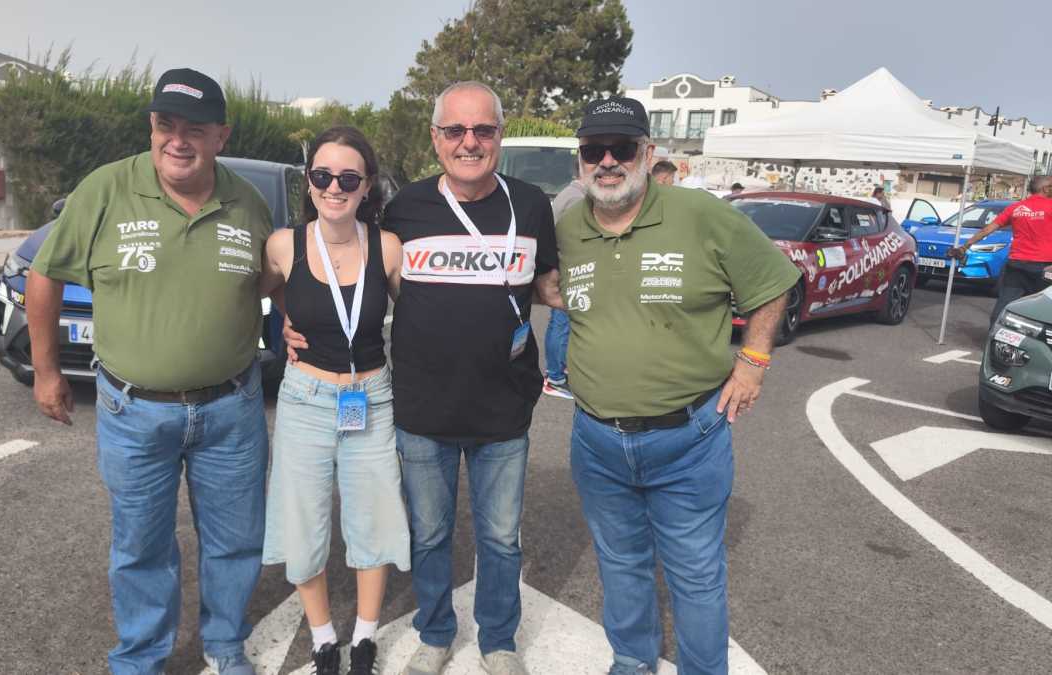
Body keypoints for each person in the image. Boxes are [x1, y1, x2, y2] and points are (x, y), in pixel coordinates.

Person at [286, 81, 559, 675]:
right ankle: (435, 634)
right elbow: (348, 264)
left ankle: (499, 642)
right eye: (455, 130)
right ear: (436, 138)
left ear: (500, 135)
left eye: (483, 130)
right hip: (422, 406)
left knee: (501, 538)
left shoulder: (532, 205)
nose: (469, 142)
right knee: (430, 536)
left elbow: (548, 284)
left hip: (503, 406)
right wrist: (291, 318)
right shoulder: (404, 209)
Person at [26, 68, 271, 675]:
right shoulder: (105, 189)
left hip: (232, 409)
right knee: (141, 546)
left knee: (236, 541)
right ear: (152, 126)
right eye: (166, 124)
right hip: (133, 411)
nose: (178, 140)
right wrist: (46, 371)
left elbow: (274, 283)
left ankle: (224, 644)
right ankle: (141, 657)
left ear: (221, 135)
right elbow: (44, 276)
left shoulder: (248, 202)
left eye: (196, 129)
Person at [555, 97, 799, 675]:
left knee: (695, 574)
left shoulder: (700, 214)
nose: (607, 161)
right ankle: (632, 660)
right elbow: (547, 284)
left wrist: (754, 361)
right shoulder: (567, 227)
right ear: (580, 159)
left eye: (622, 148)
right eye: (594, 150)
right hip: (597, 440)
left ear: (648, 152)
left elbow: (773, 282)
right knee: (620, 564)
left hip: (688, 441)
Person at [258, 126, 409, 675]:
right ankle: (323, 639)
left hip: (371, 397)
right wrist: (287, 316)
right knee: (303, 521)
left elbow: (418, 319)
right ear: (309, 181)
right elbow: (258, 291)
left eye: (349, 178)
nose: (334, 187)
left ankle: (364, 636)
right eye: (323, 176)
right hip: (305, 397)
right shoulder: (284, 245)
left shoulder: (387, 247)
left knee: (375, 517)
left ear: (367, 186)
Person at [949, 175, 1052, 324]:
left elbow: (987, 230)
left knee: (1005, 302)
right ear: (1045, 189)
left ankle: (994, 331)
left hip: (1016, 264)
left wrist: (965, 247)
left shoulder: (1015, 208)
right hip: (1044, 267)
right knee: (1043, 306)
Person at [543, 166, 587, 400]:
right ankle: (555, 377)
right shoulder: (576, 198)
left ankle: (558, 371)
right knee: (561, 323)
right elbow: (574, 238)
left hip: (563, 265)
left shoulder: (570, 193)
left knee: (561, 322)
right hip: (566, 266)